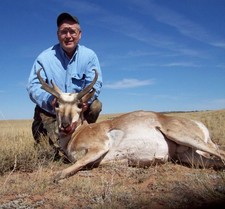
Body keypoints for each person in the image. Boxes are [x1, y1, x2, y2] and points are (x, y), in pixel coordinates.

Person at [27, 12, 103, 158]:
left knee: (95, 105)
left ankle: (81, 137)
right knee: (52, 153)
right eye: (64, 32)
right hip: (52, 109)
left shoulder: (89, 56)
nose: (68, 36)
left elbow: (95, 83)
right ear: (58, 34)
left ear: (79, 34)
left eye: (72, 31)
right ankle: (42, 133)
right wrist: (50, 100)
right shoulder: (44, 57)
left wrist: (86, 100)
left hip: (77, 109)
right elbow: (33, 86)